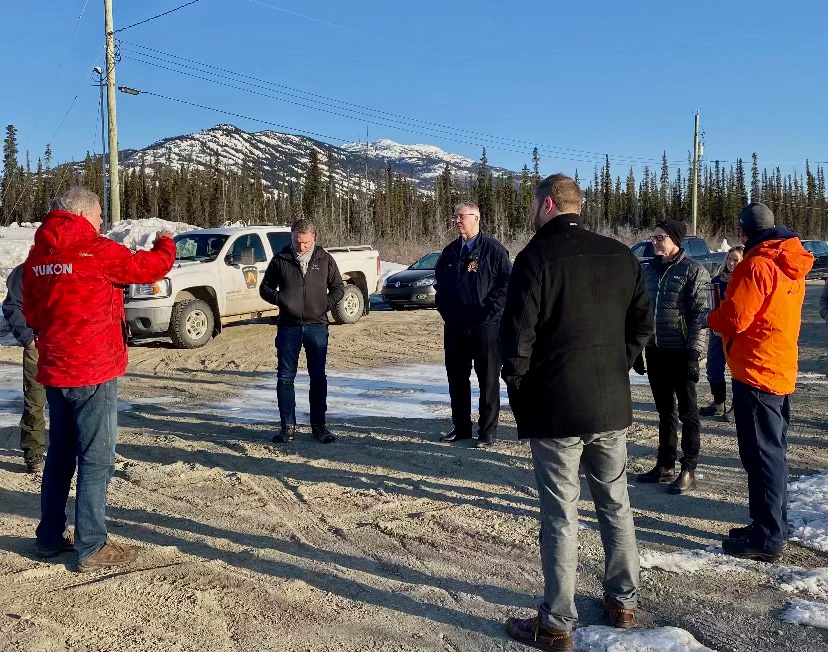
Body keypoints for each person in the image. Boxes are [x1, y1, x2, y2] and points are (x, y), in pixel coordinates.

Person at [501, 175, 653, 651]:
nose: (532, 212)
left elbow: (517, 338)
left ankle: (556, 623)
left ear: (548, 205)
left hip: (556, 407)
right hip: (609, 404)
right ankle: (623, 601)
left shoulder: (536, 258)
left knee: (561, 516)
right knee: (615, 503)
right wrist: (615, 366)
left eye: (534, 205)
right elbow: (642, 324)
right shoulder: (620, 254)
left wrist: (520, 390)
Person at [23, 187, 175, 571]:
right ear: (83, 215)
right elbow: (149, 268)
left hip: (56, 369)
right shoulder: (96, 250)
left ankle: (49, 537)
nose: (102, 221)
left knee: (60, 455)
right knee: (97, 459)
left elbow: (33, 313)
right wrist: (166, 243)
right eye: (98, 214)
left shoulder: (38, 256)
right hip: (92, 368)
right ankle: (91, 545)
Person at [709, 203, 813, 562]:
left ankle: (767, 536)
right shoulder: (790, 261)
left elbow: (735, 319)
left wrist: (712, 317)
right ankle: (770, 525)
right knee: (772, 453)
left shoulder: (756, 265)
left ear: (743, 233)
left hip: (756, 372)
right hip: (778, 367)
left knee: (760, 456)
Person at [636, 219, 710, 494]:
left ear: (675, 240)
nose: (655, 242)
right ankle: (665, 464)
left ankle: (688, 469)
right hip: (656, 350)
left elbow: (700, 315)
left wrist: (694, 353)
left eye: (660, 238)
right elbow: (641, 310)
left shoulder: (693, 271)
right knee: (665, 411)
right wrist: (637, 348)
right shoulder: (648, 270)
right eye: (653, 237)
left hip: (682, 351)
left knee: (688, 413)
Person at [259, 219, 345, 444]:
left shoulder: (325, 259)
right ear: (292, 237)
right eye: (297, 241)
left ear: (314, 237)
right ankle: (287, 426)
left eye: (306, 242)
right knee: (285, 377)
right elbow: (264, 288)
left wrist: (324, 305)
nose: (302, 246)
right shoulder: (281, 259)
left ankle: (319, 426)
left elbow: (338, 288)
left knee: (317, 377)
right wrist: (282, 300)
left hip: (317, 326)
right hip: (289, 326)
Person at [433, 201, 511, 448]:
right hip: (455, 326)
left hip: (486, 326)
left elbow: (506, 285)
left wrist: (488, 311)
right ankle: (461, 427)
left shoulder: (493, 250)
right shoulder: (450, 251)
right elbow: (440, 284)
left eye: (461, 216)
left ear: (476, 218)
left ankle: (487, 431)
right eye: (455, 216)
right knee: (457, 378)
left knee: (488, 379)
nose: (457, 220)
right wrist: (445, 310)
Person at [2, 263, 47, 473]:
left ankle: (70, 449)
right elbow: (12, 305)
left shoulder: (71, 264)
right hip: (37, 345)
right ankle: (33, 451)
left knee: (71, 401)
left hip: (67, 345)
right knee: (35, 401)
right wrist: (28, 338)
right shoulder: (27, 269)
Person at [700, 245, 744, 420]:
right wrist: (709, 319)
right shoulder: (717, 280)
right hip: (717, 330)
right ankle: (718, 403)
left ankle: (737, 406)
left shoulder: (745, 281)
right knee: (713, 367)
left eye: (736, 260)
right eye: (729, 259)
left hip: (735, 332)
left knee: (737, 369)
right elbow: (711, 305)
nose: (731, 263)